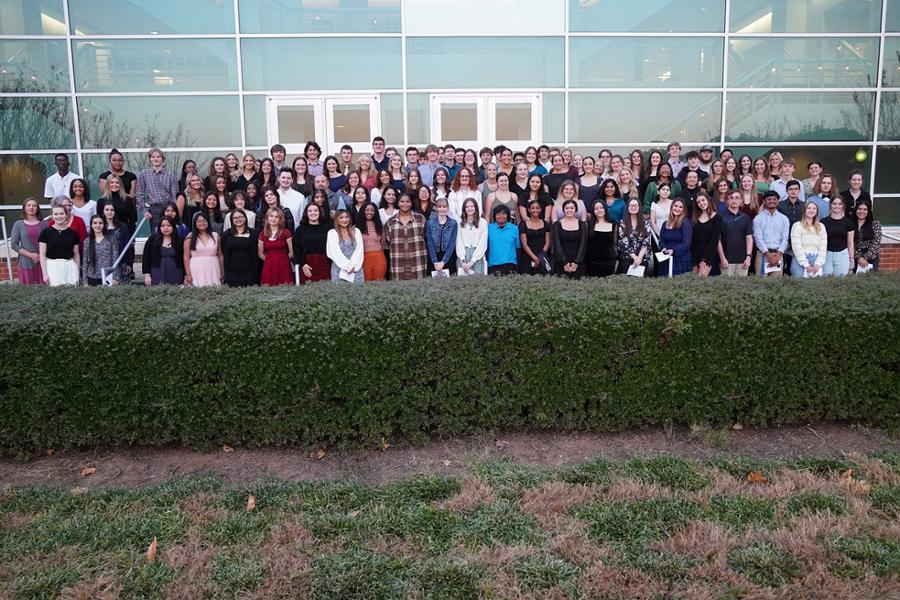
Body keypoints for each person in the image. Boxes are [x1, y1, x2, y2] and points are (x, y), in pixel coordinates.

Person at [384, 193, 428, 280]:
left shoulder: (420, 219)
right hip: (398, 262)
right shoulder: (390, 222)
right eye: (402, 201)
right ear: (398, 203)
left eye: (407, 201)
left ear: (411, 203)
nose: (405, 204)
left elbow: (426, 238)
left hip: (418, 261)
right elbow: (388, 240)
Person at [136, 148, 179, 231]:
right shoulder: (144, 174)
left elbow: (175, 195)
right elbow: (139, 193)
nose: (156, 159)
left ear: (162, 159)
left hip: (167, 208)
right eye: (153, 157)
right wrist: (145, 210)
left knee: (170, 231)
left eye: (158, 157)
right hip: (154, 209)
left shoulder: (170, 174)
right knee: (156, 234)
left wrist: (172, 210)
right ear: (150, 159)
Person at [38, 204, 80, 286]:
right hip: (52, 267)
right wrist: (45, 274)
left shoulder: (73, 233)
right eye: (56, 214)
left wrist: (77, 271)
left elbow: (76, 254)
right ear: (52, 216)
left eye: (61, 213)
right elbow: (42, 254)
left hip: (70, 267)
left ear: (66, 215)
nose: (59, 216)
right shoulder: (45, 233)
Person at [10, 198, 47, 284]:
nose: (31, 208)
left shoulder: (44, 223)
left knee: (45, 289)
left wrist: (39, 256)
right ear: (24, 208)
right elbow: (14, 244)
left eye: (34, 205)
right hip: (25, 262)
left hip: (43, 262)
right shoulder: (18, 224)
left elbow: (49, 242)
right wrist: (31, 255)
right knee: (28, 289)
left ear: (37, 208)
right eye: (28, 205)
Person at [753, 191, 790, 278]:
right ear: (764, 202)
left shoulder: (784, 219)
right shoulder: (758, 219)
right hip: (763, 255)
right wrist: (769, 256)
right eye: (769, 199)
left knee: (776, 285)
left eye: (774, 199)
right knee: (761, 283)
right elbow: (758, 239)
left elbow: (785, 239)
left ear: (778, 201)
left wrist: (777, 255)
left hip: (778, 255)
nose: (772, 201)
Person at [293, 203, 331, 284]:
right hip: (307, 265)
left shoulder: (327, 229)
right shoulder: (300, 230)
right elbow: (296, 249)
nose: (313, 213)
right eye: (310, 211)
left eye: (316, 210)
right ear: (306, 213)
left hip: (325, 264)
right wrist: (303, 264)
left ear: (320, 212)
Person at [220, 209, 258, 287]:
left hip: (250, 271)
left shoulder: (253, 233)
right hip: (232, 271)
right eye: (235, 218)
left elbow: (256, 252)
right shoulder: (226, 235)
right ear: (231, 220)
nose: (238, 219)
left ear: (245, 218)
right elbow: (224, 253)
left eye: (240, 217)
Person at [142, 216, 184, 286]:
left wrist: (185, 275)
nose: (166, 228)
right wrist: (147, 275)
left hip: (176, 272)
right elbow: (146, 258)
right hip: (157, 272)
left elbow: (183, 259)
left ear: (173, 227)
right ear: (159, 227)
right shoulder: (152, 239)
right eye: (163, 226)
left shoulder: (179, 240)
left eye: (169, 225)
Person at [719, 190, 754, 277]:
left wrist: (748, 257)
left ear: (741, 200)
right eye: (731, 198)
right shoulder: (720, 217)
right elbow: (717, 240)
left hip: (743, 260)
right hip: (726, 260)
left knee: (741, 288)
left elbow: (749, 238)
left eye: (737, 198)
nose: (734, 200)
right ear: (727, 200)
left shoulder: (745, 217)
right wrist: (722, 258)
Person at [789, 202, 827, 278]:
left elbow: (823, 247)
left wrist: (818, 264)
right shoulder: (797, 226)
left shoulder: (821, 226)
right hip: (800, 260)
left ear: (817, 211)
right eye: (809, 208)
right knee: (799, 286)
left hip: (816, 259)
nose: (811, 210)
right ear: (804, 210)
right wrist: (805, 264)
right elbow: (796, 246)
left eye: (814, 208)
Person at [183, 212, 222, 287]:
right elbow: (186, 257)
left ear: (208, 222)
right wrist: (188, 274)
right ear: (194, 224)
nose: (202, 223)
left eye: (204, 220)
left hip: (213, 267)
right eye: (198, 221)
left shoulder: (216, 236)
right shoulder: (190, 237)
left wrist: (222, 270)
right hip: (196, 268)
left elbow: (220, 254)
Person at [819, 197, 855, 277]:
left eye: (840, 204)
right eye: (834, 203)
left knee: (841, 282)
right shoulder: (823, 222)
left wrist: (851, 259)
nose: (837, 206)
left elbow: (850, 243)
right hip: (826, 255)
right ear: (830, 205)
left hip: (843, 255)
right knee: (826, 280)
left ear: (843, 206)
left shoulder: (848, 222)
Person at [551, 199, 587, 279]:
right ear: (563, 210)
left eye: (572, 208)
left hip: (578, 261)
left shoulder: (582, 224)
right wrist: (564, 262)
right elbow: (557, 244)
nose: (569, 210)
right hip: (561, 261)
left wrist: (576, 262)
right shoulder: (557, 225)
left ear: (576, 210)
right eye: (567, 208)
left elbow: (583, 244)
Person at [258, 207, 294, 286]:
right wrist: (270, 260)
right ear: (267, 218)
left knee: (286, 288)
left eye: (276, 217)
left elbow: (291, 253)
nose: (273, 219)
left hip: (284, 266)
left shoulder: (286, 233)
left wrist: (282, 260)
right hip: (269, 267)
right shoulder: (262, 234)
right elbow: (260, 254)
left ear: (280, 219)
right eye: (271, 216)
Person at [690, 193, 723, 277]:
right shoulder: (694, 217)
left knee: (703, 280)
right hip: (695, 253)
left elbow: (714, 240)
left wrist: (704, 259)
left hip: (709, 254)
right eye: (698, 202)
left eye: (703, 200)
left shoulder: (717, 218)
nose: (701, 203)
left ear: (708, 200)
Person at [327, 209, 364, 283]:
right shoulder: (332, 233)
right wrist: (348, 266)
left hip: (356, 268)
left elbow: (359, 250)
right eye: (341, 217)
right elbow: (334, 253)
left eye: (346, 217)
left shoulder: (356, 231)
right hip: (339, 269)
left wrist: (353, 266)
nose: (344, 220)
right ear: (336, 219)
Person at [80, 215, 119, 286]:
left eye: (100, 223)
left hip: (108, 277)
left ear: (104, 225)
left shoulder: (111, 240)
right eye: (95, 223)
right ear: (91, 225)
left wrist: (115, 277)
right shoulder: (87, 241)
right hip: (91, 277)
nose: (98, 225)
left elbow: (115, 259)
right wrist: (85, 281)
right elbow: (85, 262)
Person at [658, 198, 693, 277]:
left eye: (681, 207)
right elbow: (661, 240)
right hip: (666, 258)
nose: (677, 209)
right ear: (671, 207)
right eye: (675, 206)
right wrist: (663, 248)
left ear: (684, 210)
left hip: (681, 260)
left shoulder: (685, 223)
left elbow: (686, 243)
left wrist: (674, 251)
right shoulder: (665, 224)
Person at [616, 198, 651, 275]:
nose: (633, 207)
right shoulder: (623, 222)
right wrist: (635, 257)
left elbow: (646, 241)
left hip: (642, 259)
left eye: (635, 205)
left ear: (639, 207)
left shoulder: (645, 223)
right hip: (626, 258)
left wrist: (639, 258)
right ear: (627, 208)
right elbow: (624, 242)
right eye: (631, 205)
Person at [777, 179, 806, 275]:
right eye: (790, 189)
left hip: (799, 240)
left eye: (796, 189)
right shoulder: (780, 205)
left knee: (795, 267)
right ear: (786, 190)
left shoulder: (804, 205)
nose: (793, 191)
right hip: (783, 240)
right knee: (781, 266)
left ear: (799, 190)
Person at [455, 198, 489, 276]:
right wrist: (463, 261)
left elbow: (483, 243)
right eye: (467, 207)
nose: (469, 208)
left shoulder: (483, 222)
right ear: (464, 209)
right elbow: (459, 242)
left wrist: (472, 261)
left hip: (477, 256)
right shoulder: (460, 223)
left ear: (476, 207)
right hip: (463, 256)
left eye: (472, 206)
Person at [425, 197, 458, 275]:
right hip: (434, 257)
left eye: (444, 207)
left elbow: (452, 243)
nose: (442, 209)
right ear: (436, 208)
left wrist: (443, 262)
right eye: (439, 207)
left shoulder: (453, 223)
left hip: (448, 257)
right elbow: (430, 243)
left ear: (447, 208)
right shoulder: (430, 223)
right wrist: (435, 261)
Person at [585, 201, 617, 277]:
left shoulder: (614, 225)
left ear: (605, 209)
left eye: (601, 208)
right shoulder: (588, 224)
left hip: (608, 262)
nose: (599, 210)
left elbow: (615, 245)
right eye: (596, 208)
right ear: (593, 211)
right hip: (591, 261)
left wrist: (617, 260)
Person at [487, 205, 521, 275]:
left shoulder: (514, 229)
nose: (501, 216)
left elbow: (518, 248)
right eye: (498, 214)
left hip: (510, 264)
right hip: (493, 265)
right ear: (494, 216)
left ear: (508, 215)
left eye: (503, 214)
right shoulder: (488, 228)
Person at [357, 201, 386, 281]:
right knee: (365, 284)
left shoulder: (379, 225)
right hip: (363, 259)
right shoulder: (356, 227)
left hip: (379, 258)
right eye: (367, 210)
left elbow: (382, 243)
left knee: (378, 284)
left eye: (372, 210)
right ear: (363, 211)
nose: (369, 212)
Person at [854, 201, 881, 272]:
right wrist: (859, 257)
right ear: (856, 210)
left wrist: (865, 258)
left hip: (871, 258)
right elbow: (849, 243)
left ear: (868, 211)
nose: (862, 211)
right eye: (859, 209)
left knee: (870, 280)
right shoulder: (850, 223)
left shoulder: (875, 223)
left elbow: (876, 242)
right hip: (854, 257)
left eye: (865, 209)